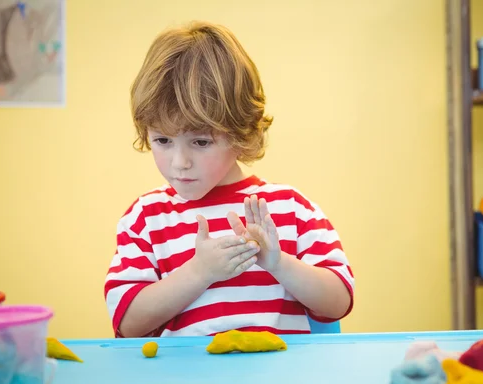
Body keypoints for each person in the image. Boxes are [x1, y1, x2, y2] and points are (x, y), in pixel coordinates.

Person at [104, 21, 354, 338]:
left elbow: (338, 302)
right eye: (163, 141)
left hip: (281, 382)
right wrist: (199, 272)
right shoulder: (146, 218)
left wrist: (279, 264)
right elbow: (127, 323)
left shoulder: (289, 209)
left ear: (239, 133)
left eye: (201, 142)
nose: (179, 163)